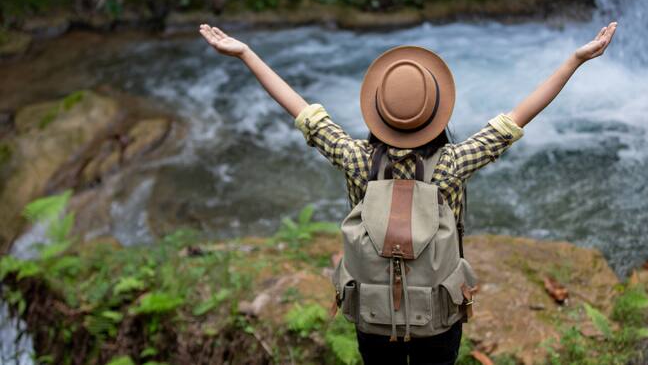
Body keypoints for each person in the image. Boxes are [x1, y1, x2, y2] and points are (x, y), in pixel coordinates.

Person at [199, 21, 617, 364]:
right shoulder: (453, 165)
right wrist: (575, 60)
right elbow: (517, 118)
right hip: (438, 314)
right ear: (436, 113)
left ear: (377, 111)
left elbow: (301, 110)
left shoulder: (355, 159)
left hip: (372, 312)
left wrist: (246, 54)